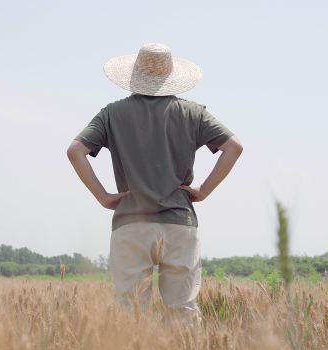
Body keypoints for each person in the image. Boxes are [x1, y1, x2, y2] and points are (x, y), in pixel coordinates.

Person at [67, 43, 243, 324]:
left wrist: (103, 197)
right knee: (183, 310)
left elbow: (75, 151)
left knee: (131, 310)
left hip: (131, 222)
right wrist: (203, 191)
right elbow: (234, 146)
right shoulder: (193, 113)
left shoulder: (112, 114)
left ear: (134, 76)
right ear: (171, 77)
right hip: (179, 223)